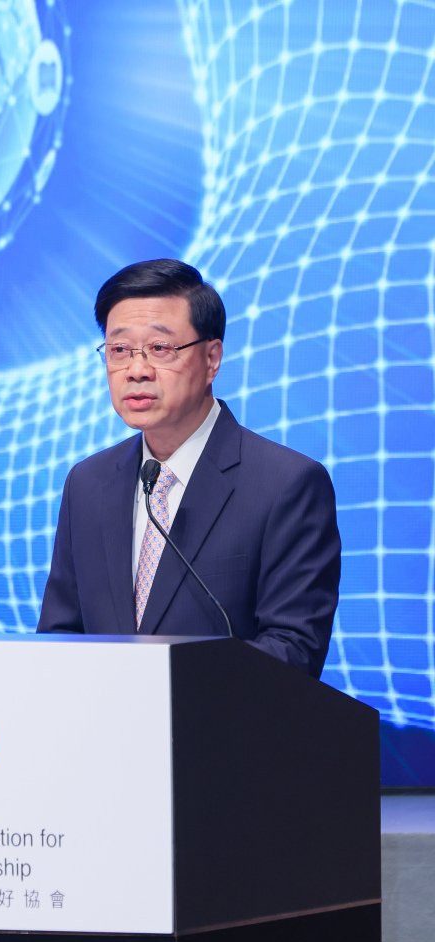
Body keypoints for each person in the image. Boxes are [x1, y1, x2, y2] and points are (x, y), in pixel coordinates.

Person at [37, 258, 340, 679]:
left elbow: (293, 649)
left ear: (212, 358)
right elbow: (60, 638)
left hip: (222, 721)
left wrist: (165, 692)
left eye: (160, 349)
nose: (137, 371)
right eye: (120, 350)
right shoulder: (88, 483)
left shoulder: (286, 484)